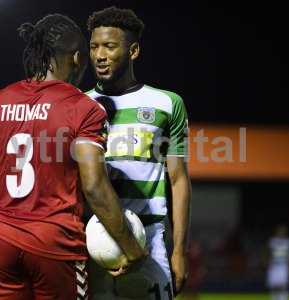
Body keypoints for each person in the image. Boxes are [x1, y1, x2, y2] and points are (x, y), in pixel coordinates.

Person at [0, 14, 145, 300]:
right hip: (56, 244)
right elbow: (95, 188)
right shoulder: (85, 110)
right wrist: (132, 248)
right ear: (77, 58)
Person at [86, 7, 192, 299]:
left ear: (133, 51)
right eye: (94, 46)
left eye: (109, 46)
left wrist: (180, 250)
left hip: (150, 239)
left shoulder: (167, 104)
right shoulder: (78, 105)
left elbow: (179, 181)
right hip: (93, 240)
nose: (99, 55)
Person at [266, 225, 289, 300]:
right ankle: (274, 298)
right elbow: (267, 252)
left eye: (283, 231)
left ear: (285, 232)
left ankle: (283, 298)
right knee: (274, 285)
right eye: (280, 230)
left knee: (283, 285)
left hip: (283, 266)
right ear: (277, 231)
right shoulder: (272, 241)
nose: (281, 232)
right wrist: (267, 262)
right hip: (273, 266)